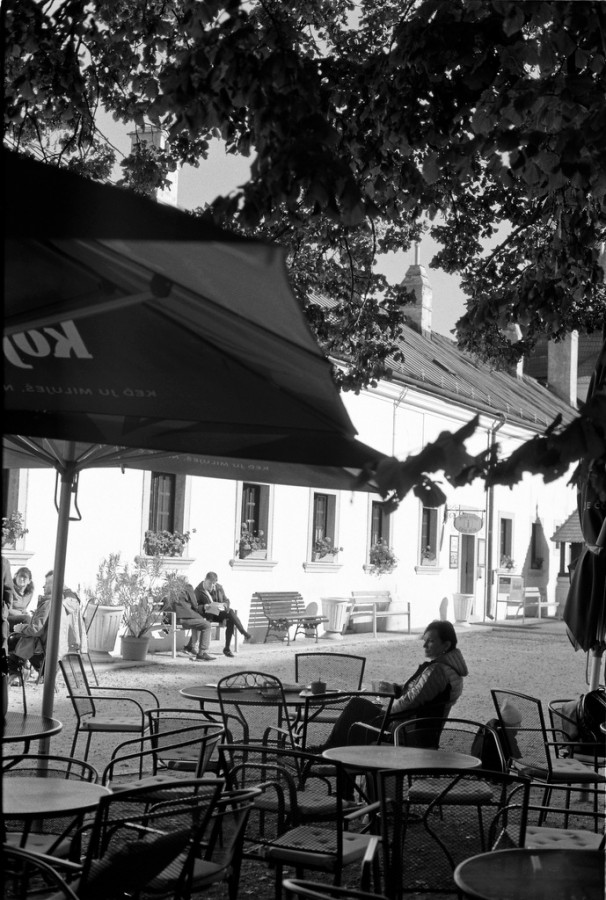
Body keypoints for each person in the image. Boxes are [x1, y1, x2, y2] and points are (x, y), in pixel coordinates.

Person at [310, 620, 469, 751]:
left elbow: (410, 701)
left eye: (431, 641)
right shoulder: (451, 670)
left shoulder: (437, 671)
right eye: (425, 640)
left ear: (446, 645)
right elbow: (421, 693)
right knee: (359, 707)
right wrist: (395, 689)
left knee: (356, 707)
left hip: (407, 730)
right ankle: (333, 751)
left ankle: (331, 751)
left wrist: (385, 712)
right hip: (421, 730)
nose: (425, 645)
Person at [8, 569, 87, 678]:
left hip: (42, 656)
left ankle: (16, 673)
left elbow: (35, 630)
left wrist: (21, 628)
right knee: (22, 633)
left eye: (46, 583)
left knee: (12, 640)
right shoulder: (65, 603)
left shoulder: (49, 603)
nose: (43, 586)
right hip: (59, 655)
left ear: (54, 585)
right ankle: (20, 670)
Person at [194, 571, 251, 658]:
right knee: (230, 615)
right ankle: (243, 633)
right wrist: (204, 607)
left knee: (230, 615)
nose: (212, 586)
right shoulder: (198, 590)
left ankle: (227, 648)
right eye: (210, 583)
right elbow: (195, 606)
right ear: (205, 580)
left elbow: (226, 600)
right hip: (208, 615)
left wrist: (225, 605)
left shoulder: (218, 587)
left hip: (219, 612)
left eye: (213, 584)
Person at [162, 579, 215, 661]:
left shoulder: (169, 589)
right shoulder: (188, 587)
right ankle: (201, 653)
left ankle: (191, 646)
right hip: (184, 618)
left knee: (200, 621)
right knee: (206, 625)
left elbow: (163, 605)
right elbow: (195, 604)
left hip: (173, 620)